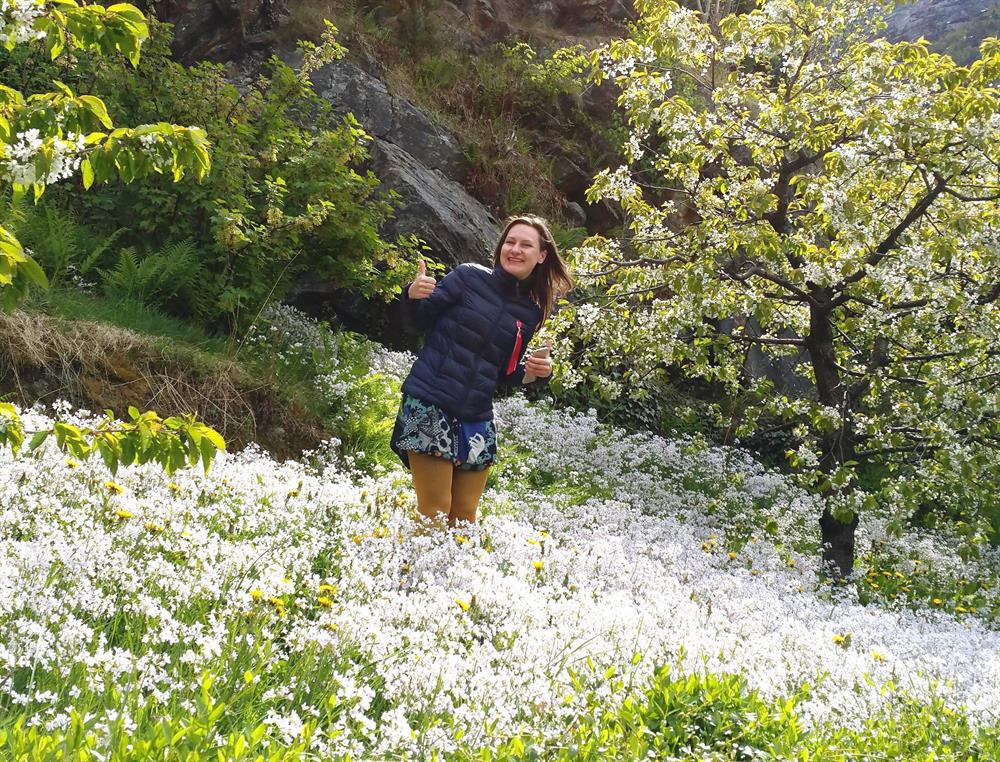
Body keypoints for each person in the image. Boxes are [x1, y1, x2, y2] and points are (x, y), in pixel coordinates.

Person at [391, 215, 574, 529]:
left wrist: (537, 373)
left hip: (476, 417)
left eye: (525, 245)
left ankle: (447, 565)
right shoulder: (467, 277)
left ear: (542, 256)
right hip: (430, 402)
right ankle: (411, 562)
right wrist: (412, 295)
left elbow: (505, 372)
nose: (515, 249)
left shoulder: (530, 313)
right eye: (510, 242)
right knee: (435, 511)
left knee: (465, 519)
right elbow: (416, 322)